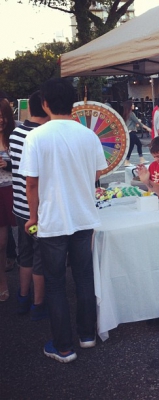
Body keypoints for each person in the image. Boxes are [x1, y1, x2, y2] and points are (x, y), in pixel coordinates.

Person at [19, 78, 107, 363]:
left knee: (56, 283)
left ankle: (64, 346)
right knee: (84, 277)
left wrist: (33, 216)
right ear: (73, 104)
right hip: (84, 218)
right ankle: (87, 336)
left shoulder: (37, 137)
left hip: (52, 221)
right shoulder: (88, 136)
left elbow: (31, 185)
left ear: (45, 104)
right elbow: (96, 175)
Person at [9, 90, 50, 319]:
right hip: (38, 209)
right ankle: (39, 305)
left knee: (24, 254)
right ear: (45, 107)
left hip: (19, 207)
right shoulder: (42, 136)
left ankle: (22, 298)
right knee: (40, 257)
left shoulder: (15, 134)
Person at [0, 97, 16, 301]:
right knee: (1, 243)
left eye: (3, 116)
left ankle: (29, 284)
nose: (0, 120)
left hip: (16, 189)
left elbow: (26, 164)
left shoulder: (16, 135)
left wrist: (8, 165)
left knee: (26, 238)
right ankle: (2, 281)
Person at [122, 100, 151, 166]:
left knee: (133, 146)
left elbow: (134, 123)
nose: (133, 105)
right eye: (132, 104)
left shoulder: (127, 114)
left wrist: (137, 123)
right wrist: (147, 128)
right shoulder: (131, 113)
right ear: (129, 106)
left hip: (129, 133)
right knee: (137, 145)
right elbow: (138, 123)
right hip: (131, 133)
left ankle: (138, 159)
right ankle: (131, 160)